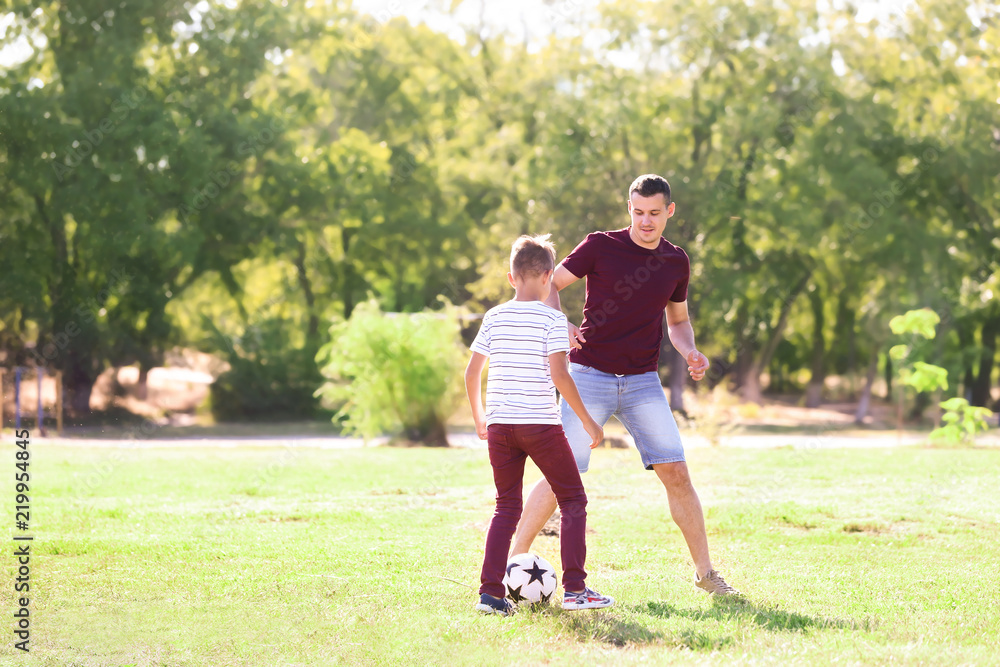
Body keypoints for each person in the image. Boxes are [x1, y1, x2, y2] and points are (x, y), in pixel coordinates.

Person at [509, 174, 742, 597]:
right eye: (638, 212)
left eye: (654, 213)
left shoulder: (676, 262)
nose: (645, 221)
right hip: (587, 376)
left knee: (677, 471)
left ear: (669, 211)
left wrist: (690, 351)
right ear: (629, 208)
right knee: (561, 470)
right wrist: (559, 322)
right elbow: (549, 285)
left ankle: (706, 574)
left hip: (641, 381)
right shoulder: (600, 245)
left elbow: (679, 320)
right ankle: (513, 565)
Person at [465, 234, 615, 615]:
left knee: (506, 507)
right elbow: (560, 375)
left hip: (500, 427)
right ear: (549, 277)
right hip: (540, 426)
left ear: (511, 278)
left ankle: (490, 594)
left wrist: (480, 418)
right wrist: (589, 423)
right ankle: (576, 590)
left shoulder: (494, 316)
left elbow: (471, 372)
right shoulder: (552, 319)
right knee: (573, 500)